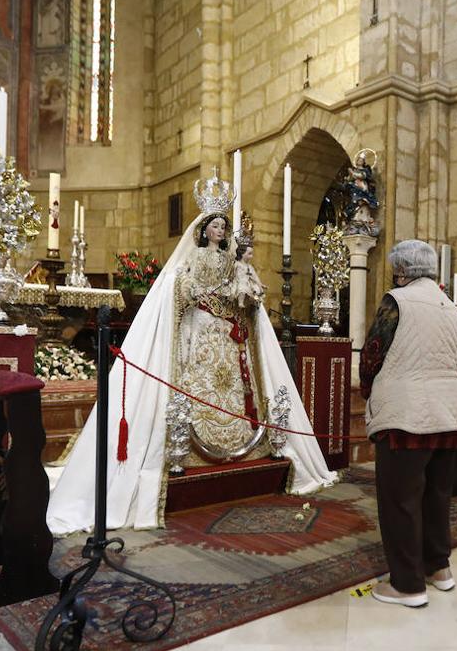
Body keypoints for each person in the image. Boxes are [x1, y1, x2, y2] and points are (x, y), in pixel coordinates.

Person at [47, 172, 335, 533]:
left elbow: (237, 288)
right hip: (199, 330)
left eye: (221, 226)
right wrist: (198, 294)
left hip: (226, 336)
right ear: (202, 230)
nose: (218, 231)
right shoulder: (192, 260)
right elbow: (183, 290)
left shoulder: (231, 261)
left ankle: (236, 441)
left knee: (230, 385)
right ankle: (187, 445)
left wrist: (243, 294)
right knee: (198, 382)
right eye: (213, 225)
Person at [360, 240, 457, 607]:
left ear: (401, 269)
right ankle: (438, 568)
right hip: (450, 411)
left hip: (407, 413)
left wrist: (369, 390)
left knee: (400, 500)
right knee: (437, 495)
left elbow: (373, 353)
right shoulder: (450, 306)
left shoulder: (397, 301)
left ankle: (407, 585)